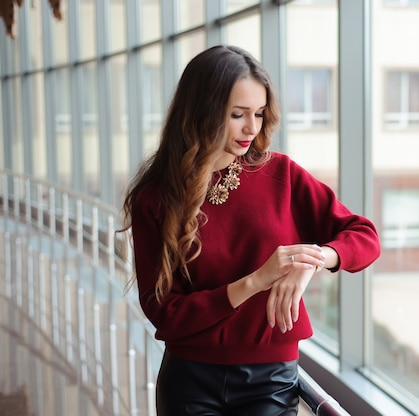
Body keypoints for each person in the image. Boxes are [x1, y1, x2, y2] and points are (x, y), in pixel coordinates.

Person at [121, 44, 380, 416]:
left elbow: (364, 236)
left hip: (270, 381)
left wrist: (313, 260)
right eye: (238, 115)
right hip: (189, 380)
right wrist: (256, 281)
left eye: (259, 114)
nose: (252, 128)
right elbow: (165, 311)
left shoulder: (282, 175)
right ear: (202, 113)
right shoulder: (156, 198)